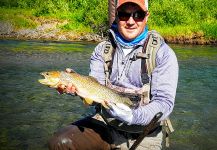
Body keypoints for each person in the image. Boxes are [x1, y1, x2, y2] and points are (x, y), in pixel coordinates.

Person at [48, 0, 178, 149]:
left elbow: (164, 104)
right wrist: (75, 87)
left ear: (146, 16)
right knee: (61, 142)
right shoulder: (102, 50)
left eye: (138, 15)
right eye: (124, 14)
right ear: (116, 16)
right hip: (106, 124)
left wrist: (133, 116)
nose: (130, 21)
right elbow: (95, 89)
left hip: (145, 134)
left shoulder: (162, 53)